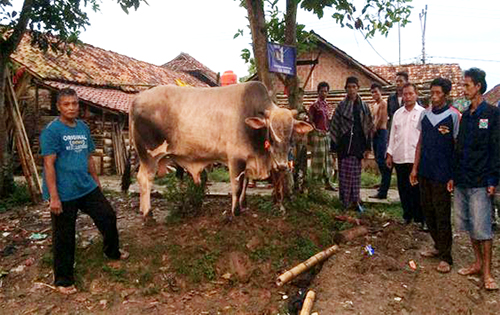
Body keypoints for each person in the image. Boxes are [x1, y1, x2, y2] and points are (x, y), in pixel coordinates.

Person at [41, 88, 128, 295]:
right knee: (65, 236)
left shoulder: (82, 127)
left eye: (74, 104)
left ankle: (111, 252)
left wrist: (96, 182)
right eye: (66, 104)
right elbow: (48, 165)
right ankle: (63, 280)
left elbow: (89, 157)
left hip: (86, 186)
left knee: (107, 216)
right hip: (64, 192)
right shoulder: (52, 131)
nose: (71, 108)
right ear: (59, 107)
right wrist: (54, 197)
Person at [451, 68, 500, 290]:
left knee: (483, 228)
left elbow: (496, 148)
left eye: (467, 85)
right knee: (470, 225)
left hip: (481, 180)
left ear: (478, 86)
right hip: (463, 178)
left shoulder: (491, 114)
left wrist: (492, 179)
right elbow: (459, 147)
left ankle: (488, 273)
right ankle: (478, 263)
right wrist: (453, 175)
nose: (464, 89)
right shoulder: (466, 115)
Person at [410, 78, 459, 273]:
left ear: (445, 95)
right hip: (425, 171)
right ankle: (438, 245)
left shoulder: (453, 116)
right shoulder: (426, 115)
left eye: (438, 93)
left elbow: (457, 147)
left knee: (442, 213)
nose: (434, 96)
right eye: (432, 92)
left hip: (442, 173)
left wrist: (452, 175)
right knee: (428, 211)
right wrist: (415, 168)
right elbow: (420, 143)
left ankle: (447, 256)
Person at [330, 77, 374, 212]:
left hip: (358, 144)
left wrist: (367, 147)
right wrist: (334, 146)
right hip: (343, 144)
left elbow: (368, 127)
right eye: (348, 87)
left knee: (355, 174)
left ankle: (355, 199)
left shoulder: (364, 106)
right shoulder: (341, 106)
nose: (351, 89)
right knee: (344, 174)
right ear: (345, 89)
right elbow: (335, 127)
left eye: (354, 86)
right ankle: (345, 201)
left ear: (358, 88)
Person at [386, 83, 425, 227]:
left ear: (416, 94)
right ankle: (407, 216)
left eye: (410, 94)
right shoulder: (397, 113)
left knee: (417, 190)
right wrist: (389, 154)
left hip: (415, 158)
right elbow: (392, 135)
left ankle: (420, 218)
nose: (407, 97)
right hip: (400, 156)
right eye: (405, 94)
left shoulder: (422, 113)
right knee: (403, 189)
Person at [308, 81, 334, 190]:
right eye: (322, 91)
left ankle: (328, 182)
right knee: (318, 161)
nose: (324, 93)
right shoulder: (314, 106)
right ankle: (316, 184)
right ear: (318, 92)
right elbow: (310, 120)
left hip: (326, 135)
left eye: (326, 91)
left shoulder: (327, 106)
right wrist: (316, 130)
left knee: (327, 160)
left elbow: (329, 121)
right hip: (317, 135)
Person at [369, 83, 390, 199]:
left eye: (376, 91)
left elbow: (381, 120)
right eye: (372, 92)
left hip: (381, 132)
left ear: (380, 92)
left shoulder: (383, 103)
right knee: (378, 159)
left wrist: (372, 131)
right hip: (375, 134)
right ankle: (383, 184)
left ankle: (383, 190)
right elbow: (373, 119)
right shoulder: (374, 105)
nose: (374, 94)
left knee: (382, 161)